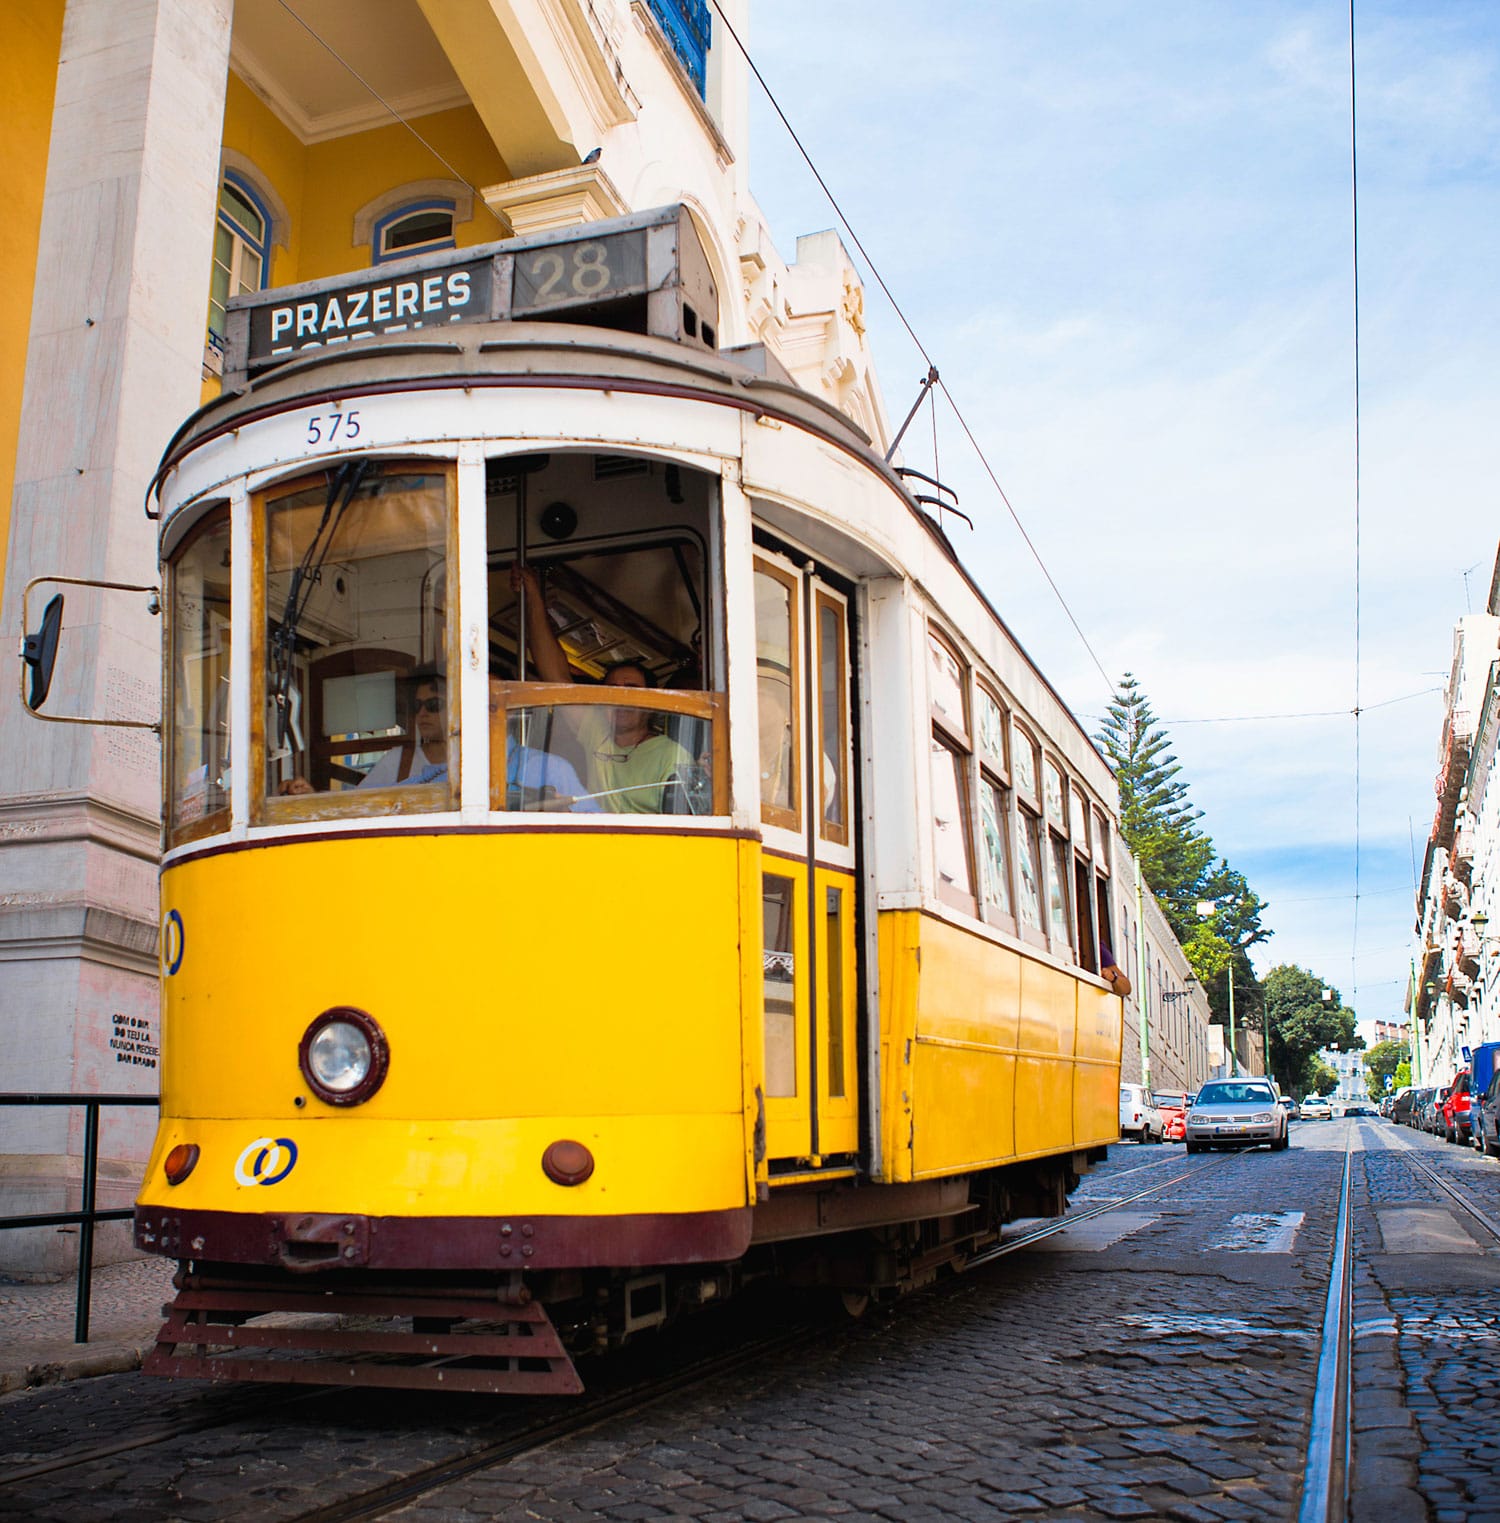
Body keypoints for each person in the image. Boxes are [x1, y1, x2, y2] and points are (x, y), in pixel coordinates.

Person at [511, 565, 692, 813]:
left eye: (631, 690)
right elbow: (556, 680)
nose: (620, 698)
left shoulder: (672, 755)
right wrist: (532, 595)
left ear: (651, 705)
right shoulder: (598, 732)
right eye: (612, 691)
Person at [360, 672, 449, 788]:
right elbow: (356, 801)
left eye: (433, 704)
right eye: (416, 706)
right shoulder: (397, 760)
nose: (422, 713)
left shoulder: (473, 760)